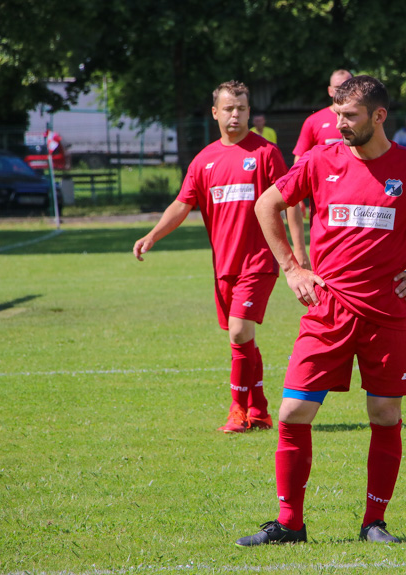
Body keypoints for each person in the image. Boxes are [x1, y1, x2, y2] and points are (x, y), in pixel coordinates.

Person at [236, 75, 406, 547]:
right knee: (293, 411)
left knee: (384, 414)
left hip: (386, 313)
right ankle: (290, 524)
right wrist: (292, 268)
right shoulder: (320, 159)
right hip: (327, 310)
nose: (338, 123)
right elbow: (268, 204)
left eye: (349, 116)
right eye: (337, 114)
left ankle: (374, 523)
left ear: (378, 116)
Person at [133, 80, 292, 433]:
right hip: (224, 266)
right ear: (215, 112)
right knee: (243, 336)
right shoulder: (204, 160)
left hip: (258, 262)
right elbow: (181, 204)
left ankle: (237, 410)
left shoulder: (265, 154)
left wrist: (297, 253)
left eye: (242, 109)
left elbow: (288, 200)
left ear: (250, 112)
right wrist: (152, 235)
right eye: (229, 109)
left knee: (238, 332)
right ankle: (260, 410)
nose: (236, 115)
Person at [288, 69, 354, 267]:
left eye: (348, 86)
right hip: (325, 198)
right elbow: (299, 160)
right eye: (338, 87)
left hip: (357, 192)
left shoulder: (363, 120)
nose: (343, 91)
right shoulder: (314, 121)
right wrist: (296, 195)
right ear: (329, 91)